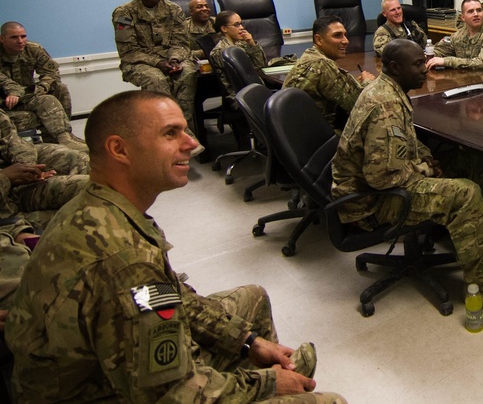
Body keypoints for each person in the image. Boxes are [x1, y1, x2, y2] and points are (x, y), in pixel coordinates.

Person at [5, 90, 345, 403]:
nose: (192, 144)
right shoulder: (124, 259)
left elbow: (173, 297)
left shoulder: (102, 206)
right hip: (97, 392)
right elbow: (170, 395)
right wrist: (267, 385)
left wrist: (247, 341)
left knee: (252, 298)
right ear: (119, 149)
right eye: (171, 134)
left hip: (105, 369)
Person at [331, 39, 483, 316]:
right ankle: (481, 286)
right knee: (466, 193)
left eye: (424, 61)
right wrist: (423, 169)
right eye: (418, 64)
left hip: (382, 183)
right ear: (396, 67)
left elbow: (403, 143)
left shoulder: (389, 89)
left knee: (466, 161)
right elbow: (381, 177)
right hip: (372, 202)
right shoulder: (383, 106)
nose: (425, 69)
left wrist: (424, 157)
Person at [112, 0, 202, 154]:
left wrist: (174, 59)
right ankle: (178, 133)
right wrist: (158, 63)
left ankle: (178, 128)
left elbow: (180, 42)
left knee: (187, 73)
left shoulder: (172, 9)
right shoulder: (124, 13)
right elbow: (128, 51)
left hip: (172, 57)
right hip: (139, 61)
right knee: (157, 80)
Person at [0, 21, 86, 151]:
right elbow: (4, 81)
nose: (20, 41)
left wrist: (41, 88)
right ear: (2, 39)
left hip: (27, 96)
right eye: (14, 37)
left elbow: (51, 72)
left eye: (23, 36)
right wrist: (17, 93)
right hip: (5, 100)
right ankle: (63, 139)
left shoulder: (32, 49)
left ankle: (61, 137)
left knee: (60, 88)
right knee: (46, 100)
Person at [283, 16, 376, 129]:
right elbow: (360, 105)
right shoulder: (321, 64)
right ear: (319, 40)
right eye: (337, 35)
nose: (346, 41)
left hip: (298, 133)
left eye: (345, 35)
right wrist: (368, 82)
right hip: (318, 137)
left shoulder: (309, 56)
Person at [425, 0, 483, 71]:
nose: (476, 14)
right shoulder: (458, 35)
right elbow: (440, 50)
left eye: (479, 10)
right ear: (463, 17)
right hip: (464, 80)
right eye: (471, 11)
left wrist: (447, 61)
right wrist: (427, 56)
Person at [210, 10, 275, 96]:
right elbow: (242, 78)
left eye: (241, 24)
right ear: (224, 29)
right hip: (240, 97)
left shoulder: (241, 43)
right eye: (236, 25)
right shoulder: (220, 52)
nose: (241, 28)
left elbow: (261, 66)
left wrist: (252, 44)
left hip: (254, 89)